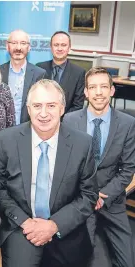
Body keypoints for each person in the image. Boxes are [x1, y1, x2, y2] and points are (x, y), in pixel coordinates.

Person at [0, 79, 98, 267]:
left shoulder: (82, 144)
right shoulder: (6, 140)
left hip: (66, 227)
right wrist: (26, 222)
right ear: (28, 108)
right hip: (22, 227)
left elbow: (89, 195)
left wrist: (54, 225)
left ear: (62, 109)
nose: (43, 113)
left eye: (51, 105)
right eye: (37, 106)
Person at [63, 67, 135, 267]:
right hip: (79, 198)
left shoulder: (128, 124)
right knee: (81, 257)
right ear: (85, 92)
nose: (98, 92)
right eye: (93, 87)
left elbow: (128, 169)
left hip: (111, 199)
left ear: (112, 90)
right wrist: (85, 195)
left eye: (104, 86)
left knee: (127, 261)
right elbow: (66, 165)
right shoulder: (70, 120)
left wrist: (104, 195)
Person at [0, 29, 46, 125]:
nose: (18, 47)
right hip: (2, 130)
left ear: (29, 47)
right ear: (7, 46)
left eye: (23, 43)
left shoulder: (40, 74)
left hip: (28, 130)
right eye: (14, 43)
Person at [37, 31, 86, 114]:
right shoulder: (39, 68)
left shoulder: (79, 73)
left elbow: (78, 105)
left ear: (69, 48)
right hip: (41, 118)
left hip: (65, 122)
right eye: (56, 45)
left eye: (63, 45)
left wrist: (59, 119)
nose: (59, 49)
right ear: (51, 47)